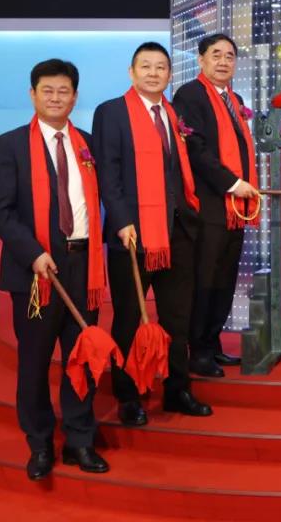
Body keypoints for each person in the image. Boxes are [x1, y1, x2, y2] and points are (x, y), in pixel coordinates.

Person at [0, 59, 110, 481]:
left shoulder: (87, 144)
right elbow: (1, 212)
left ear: (75, 97)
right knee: (35, 362)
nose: (56, 98)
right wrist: (33, 253)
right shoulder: (9, 145)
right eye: (47, 90)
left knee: (81, 356)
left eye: (64, 91)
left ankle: (79, 440)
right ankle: (39, 444)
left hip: (83, 266)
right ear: (32, 94)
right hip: (36, 271)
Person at [92, 41, 211, 425]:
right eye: (146, 66)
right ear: (132, 72)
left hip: (177, 232)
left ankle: (178, 390)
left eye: (161, 67)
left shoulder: (173, 114)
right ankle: (128, 395)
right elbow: (108, 172)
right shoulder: (111, 112)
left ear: (170, 74)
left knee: (178, 319)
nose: (154, 73)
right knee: (129, 317)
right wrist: (121, 220)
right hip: (132, 234)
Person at [172, 33, 260, 378]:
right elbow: (196, 150)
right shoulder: (189, 95)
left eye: (229, 56)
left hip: (235, 209)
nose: (223, 62)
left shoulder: (235, 99)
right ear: (201, 60)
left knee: (225, 280)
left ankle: (212, 342)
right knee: (204, 281)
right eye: (216, 55)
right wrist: (233, 183)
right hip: (208, 206)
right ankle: (198, 352)